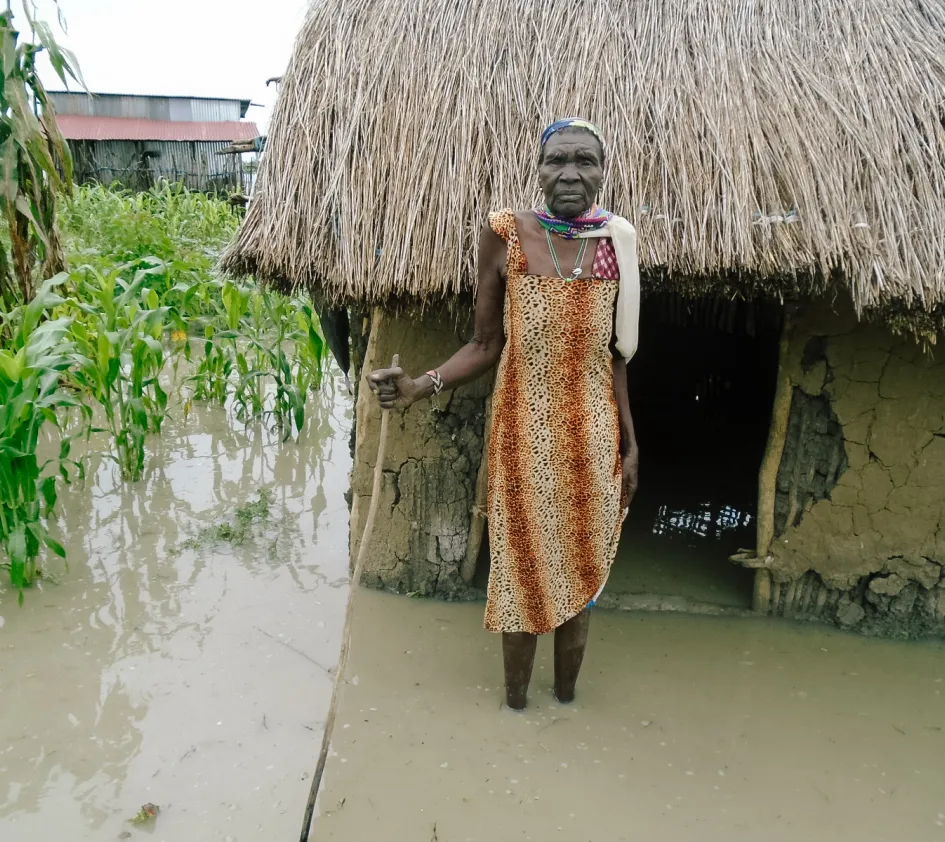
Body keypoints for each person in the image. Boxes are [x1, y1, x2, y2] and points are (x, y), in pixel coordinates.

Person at [368, 118, 640, 710]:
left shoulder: (615, 242)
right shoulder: (506, 235)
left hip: (593, 441)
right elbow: (485, 343)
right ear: (538, 169)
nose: (570, 174)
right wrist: (417, 387)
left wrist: (630, 441)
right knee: (521, 573)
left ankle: (565, 703)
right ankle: (517, 707)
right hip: (522, 438)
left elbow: (616, 354)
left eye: (585, 161)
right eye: (557, 160)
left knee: (582, 572)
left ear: (602, 171)